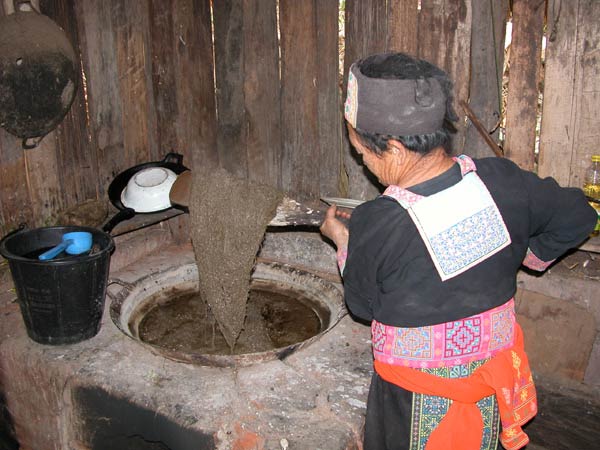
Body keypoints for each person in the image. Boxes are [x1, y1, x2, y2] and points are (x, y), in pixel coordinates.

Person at [320, 52, 598, 450]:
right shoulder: (503, 182)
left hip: (410, 406)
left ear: (395, 150)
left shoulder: (377, 223)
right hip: (491, 394)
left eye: (362, 154)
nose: (363, 164)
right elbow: (578, 215)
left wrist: (342, 240)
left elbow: (364, 307)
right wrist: (523, 252)